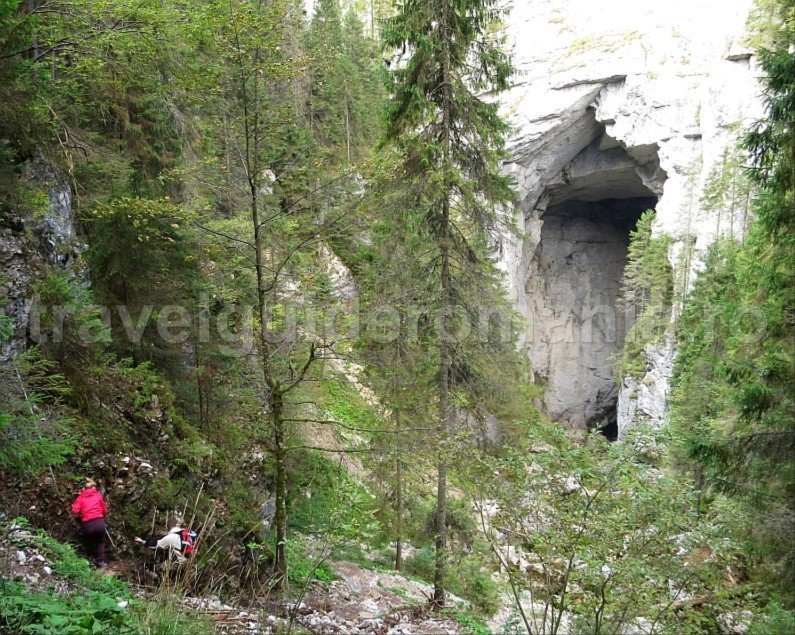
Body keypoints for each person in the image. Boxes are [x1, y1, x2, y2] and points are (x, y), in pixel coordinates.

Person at [70, 477, 108, 568]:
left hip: (88, 525)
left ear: (85, 488)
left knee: (90, 542)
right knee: (100, 542)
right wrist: (103, 515)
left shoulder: (81, 498)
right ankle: (100, 561)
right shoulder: (98, 496)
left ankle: (91, 561)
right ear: (93, 487)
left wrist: (74, 507)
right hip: (99, 522)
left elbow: (74, 511)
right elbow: (104, 510)